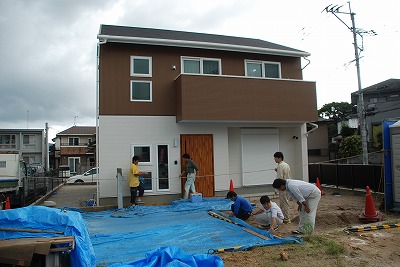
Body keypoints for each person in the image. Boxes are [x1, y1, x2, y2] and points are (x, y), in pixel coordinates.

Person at [274, 151, 291, 223]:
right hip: (287, 185)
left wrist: (276, 189)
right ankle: (285, 217)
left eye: (275, 158)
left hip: (282, 187)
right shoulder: (286, 165)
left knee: (283, 203)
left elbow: (280, 178)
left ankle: (286, 218)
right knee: (285, 202)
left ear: (279, 158)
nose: (275, 160)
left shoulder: (280, 166)